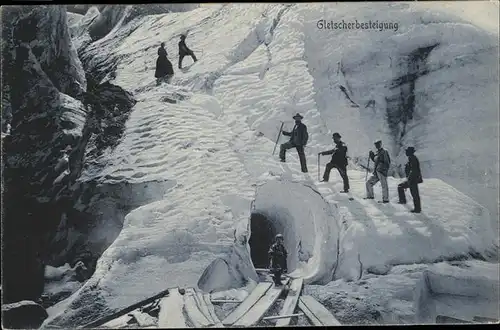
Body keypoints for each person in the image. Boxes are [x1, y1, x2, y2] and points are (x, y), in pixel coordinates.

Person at [398, 146, 422, 213]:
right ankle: (403, 201)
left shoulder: (412, 158)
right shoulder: (411, 158)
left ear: (410, 152)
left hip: (413, 179)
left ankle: (417, 209)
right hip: (412, 179)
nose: (406, 152)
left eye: (407, 151)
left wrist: (409, 180)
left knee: (415, 194)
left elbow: (413, 170)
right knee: (401, 187)